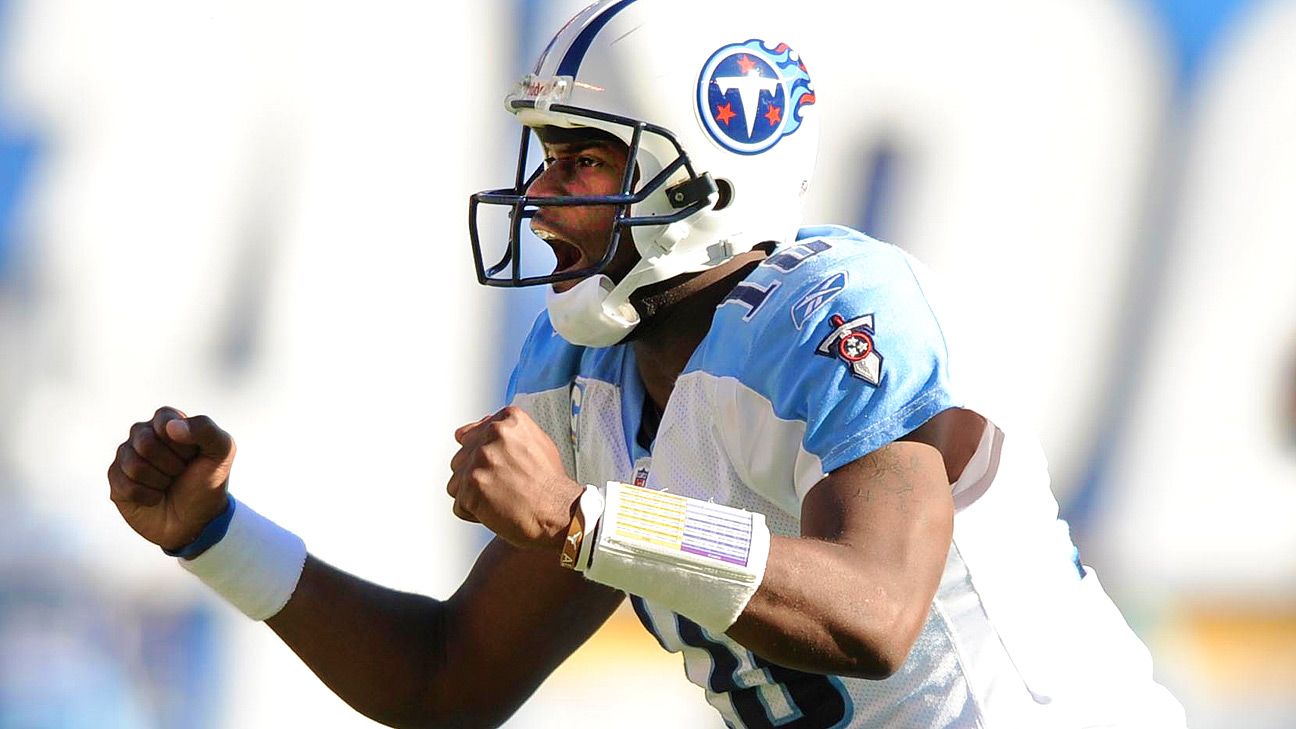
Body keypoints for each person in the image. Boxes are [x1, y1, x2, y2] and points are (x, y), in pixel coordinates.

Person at [106, 1, 1187, 726]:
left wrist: (588, 522)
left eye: (582, 159)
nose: (539, 196)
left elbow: (874, 611)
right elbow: (449, 683)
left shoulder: (837, 307)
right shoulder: (592, 374)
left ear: (704, 165)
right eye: (544, 159)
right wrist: (215, 536)